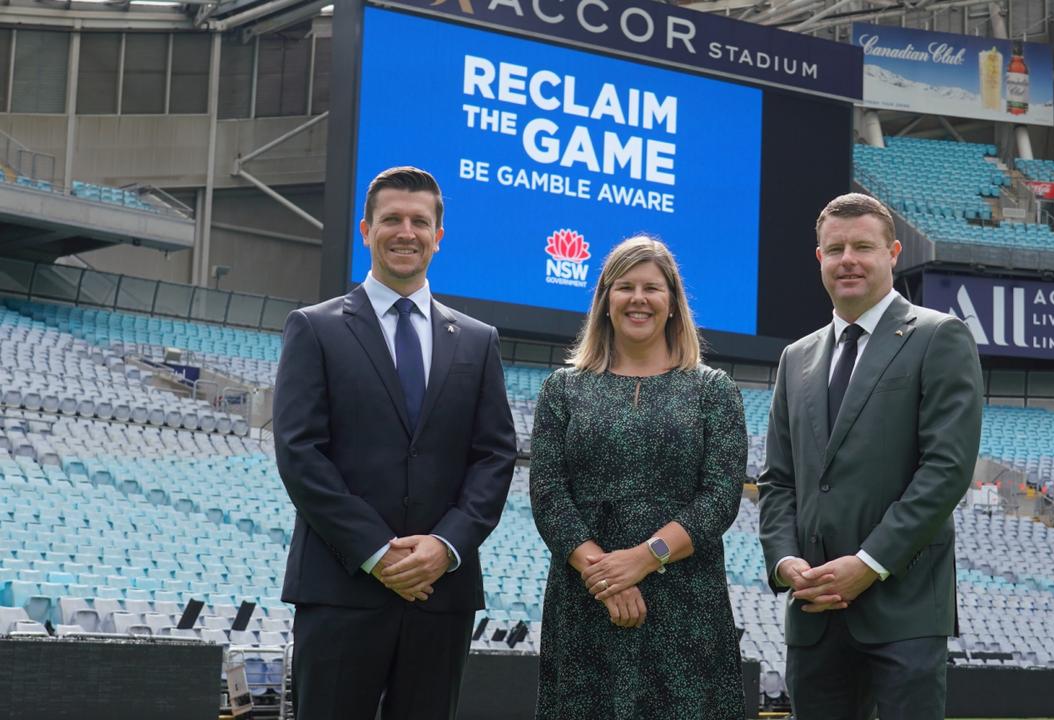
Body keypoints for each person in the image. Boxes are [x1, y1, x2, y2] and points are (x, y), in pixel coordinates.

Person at [273, 166, 516, 720]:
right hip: (341, 588)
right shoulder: (314, 328)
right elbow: (300, 453)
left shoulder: (478, 343)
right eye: (392, 220)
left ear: (438, 236)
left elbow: (494, 457)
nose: (406, 232)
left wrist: (445, 547)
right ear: (366, 229)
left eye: (419, 221)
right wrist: (378, 553)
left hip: (441, 593)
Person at [757, 192, 983, 720]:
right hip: (814, 610)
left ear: (893, 253)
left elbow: (946, 470)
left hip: (902, 609)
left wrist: (868, 563)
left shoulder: (938, 336)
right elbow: (778, 481)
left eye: (863, 246)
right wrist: (785, 561)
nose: (848, 260)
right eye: (835, 249)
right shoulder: (796, 358)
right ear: (820, 259)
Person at [529, 236, 747, 720]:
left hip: (685, 600)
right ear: (605, 301)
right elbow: (546, 493)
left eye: (652, 287)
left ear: (672, 303)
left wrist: (647, 558)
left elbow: (720, 497)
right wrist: (604, 574)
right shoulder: (563, 389)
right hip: (585, 597)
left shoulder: (713, 391)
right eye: (624, 287)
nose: (639, 299)